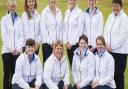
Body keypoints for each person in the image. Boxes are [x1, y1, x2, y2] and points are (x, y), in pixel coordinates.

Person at [103, 0, 128, 89]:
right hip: (109, 51)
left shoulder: (124, 18)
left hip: (120, 53)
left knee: (118, 76)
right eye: (113, 6)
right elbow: (105, 31)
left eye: (117, 6)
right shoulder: (110, 16)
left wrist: (112, 47)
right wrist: (105, 45)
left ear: (121, 6)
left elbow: (123, 36)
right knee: (110, 75)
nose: (115, 8)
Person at [1, 0, 24, 89]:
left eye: (13, 6)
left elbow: (22, 35)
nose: (12, 8)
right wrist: (12, 49)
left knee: (15, 73)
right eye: (10, 6)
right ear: (8, 7)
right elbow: (4, 36)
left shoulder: (19, 19)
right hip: (7, 51)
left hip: (17, 52)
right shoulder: (4, 19)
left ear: (15, 7)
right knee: (7, 73)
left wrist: (18, 49)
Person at [63, 0, 84, 65]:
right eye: (71, 0)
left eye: (74, 0)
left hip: (75, 45)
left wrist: (71, 43)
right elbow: (65, 28)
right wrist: (65, 42)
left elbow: (79, 30)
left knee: (77, 66)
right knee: (72, 66)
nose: (72, 1)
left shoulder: (80, 13)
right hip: (68, 45)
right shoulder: (67, 12)